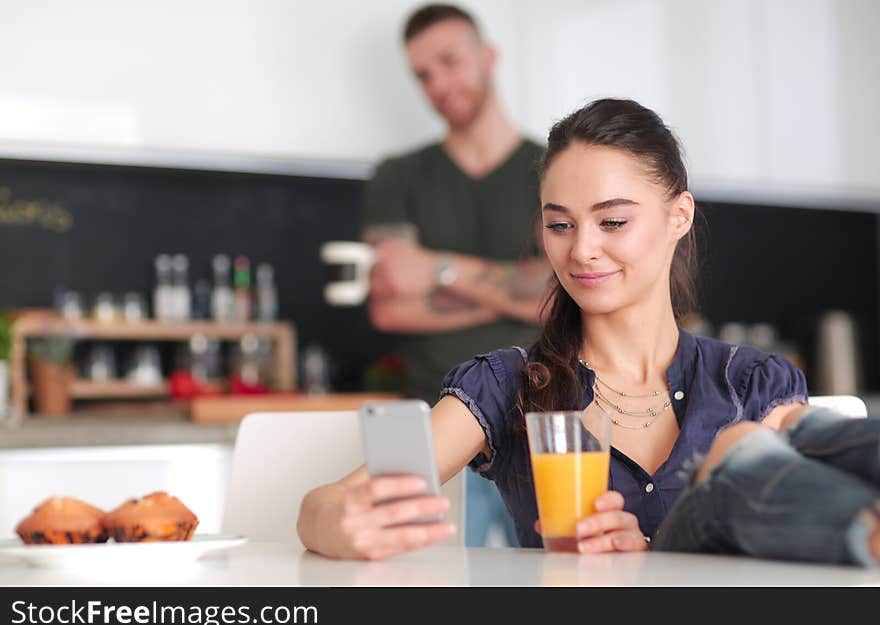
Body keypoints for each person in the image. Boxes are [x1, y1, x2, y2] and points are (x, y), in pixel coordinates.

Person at [299, 97, 880, 566]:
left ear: (679, 216)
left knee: (762, 445)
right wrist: (342, 525)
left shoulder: (750, 382)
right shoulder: (508, 385)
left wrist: (647, 556)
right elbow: (323, 504)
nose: (581, 250)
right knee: (735, 453)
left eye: (614, 221)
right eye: (559, 224)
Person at [362, 4, 549, 547]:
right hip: (432, 432)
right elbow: (390, 306)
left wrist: (439, 270)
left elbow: (563, 293)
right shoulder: (396, 177)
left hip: (541, 425)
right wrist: (518, 287)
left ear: (489, 57)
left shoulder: (555, 168)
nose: (439, 83)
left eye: (450, 61)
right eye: (423, 74)